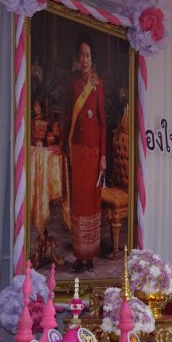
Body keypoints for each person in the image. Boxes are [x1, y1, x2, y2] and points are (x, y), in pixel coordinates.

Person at [66, 33, 106, 273]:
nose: (84, 59)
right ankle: (80, 256)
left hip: (93, 154)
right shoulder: (73, 84)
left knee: (92, 204)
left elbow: (102, 123)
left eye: (88, 55)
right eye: (81, 55)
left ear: (93, 59)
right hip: (78, 151)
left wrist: (103, 157)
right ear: (77, 58)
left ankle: (91, 256)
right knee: (79, 205)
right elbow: (69, 116)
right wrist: (66, 146)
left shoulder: (98, 85)